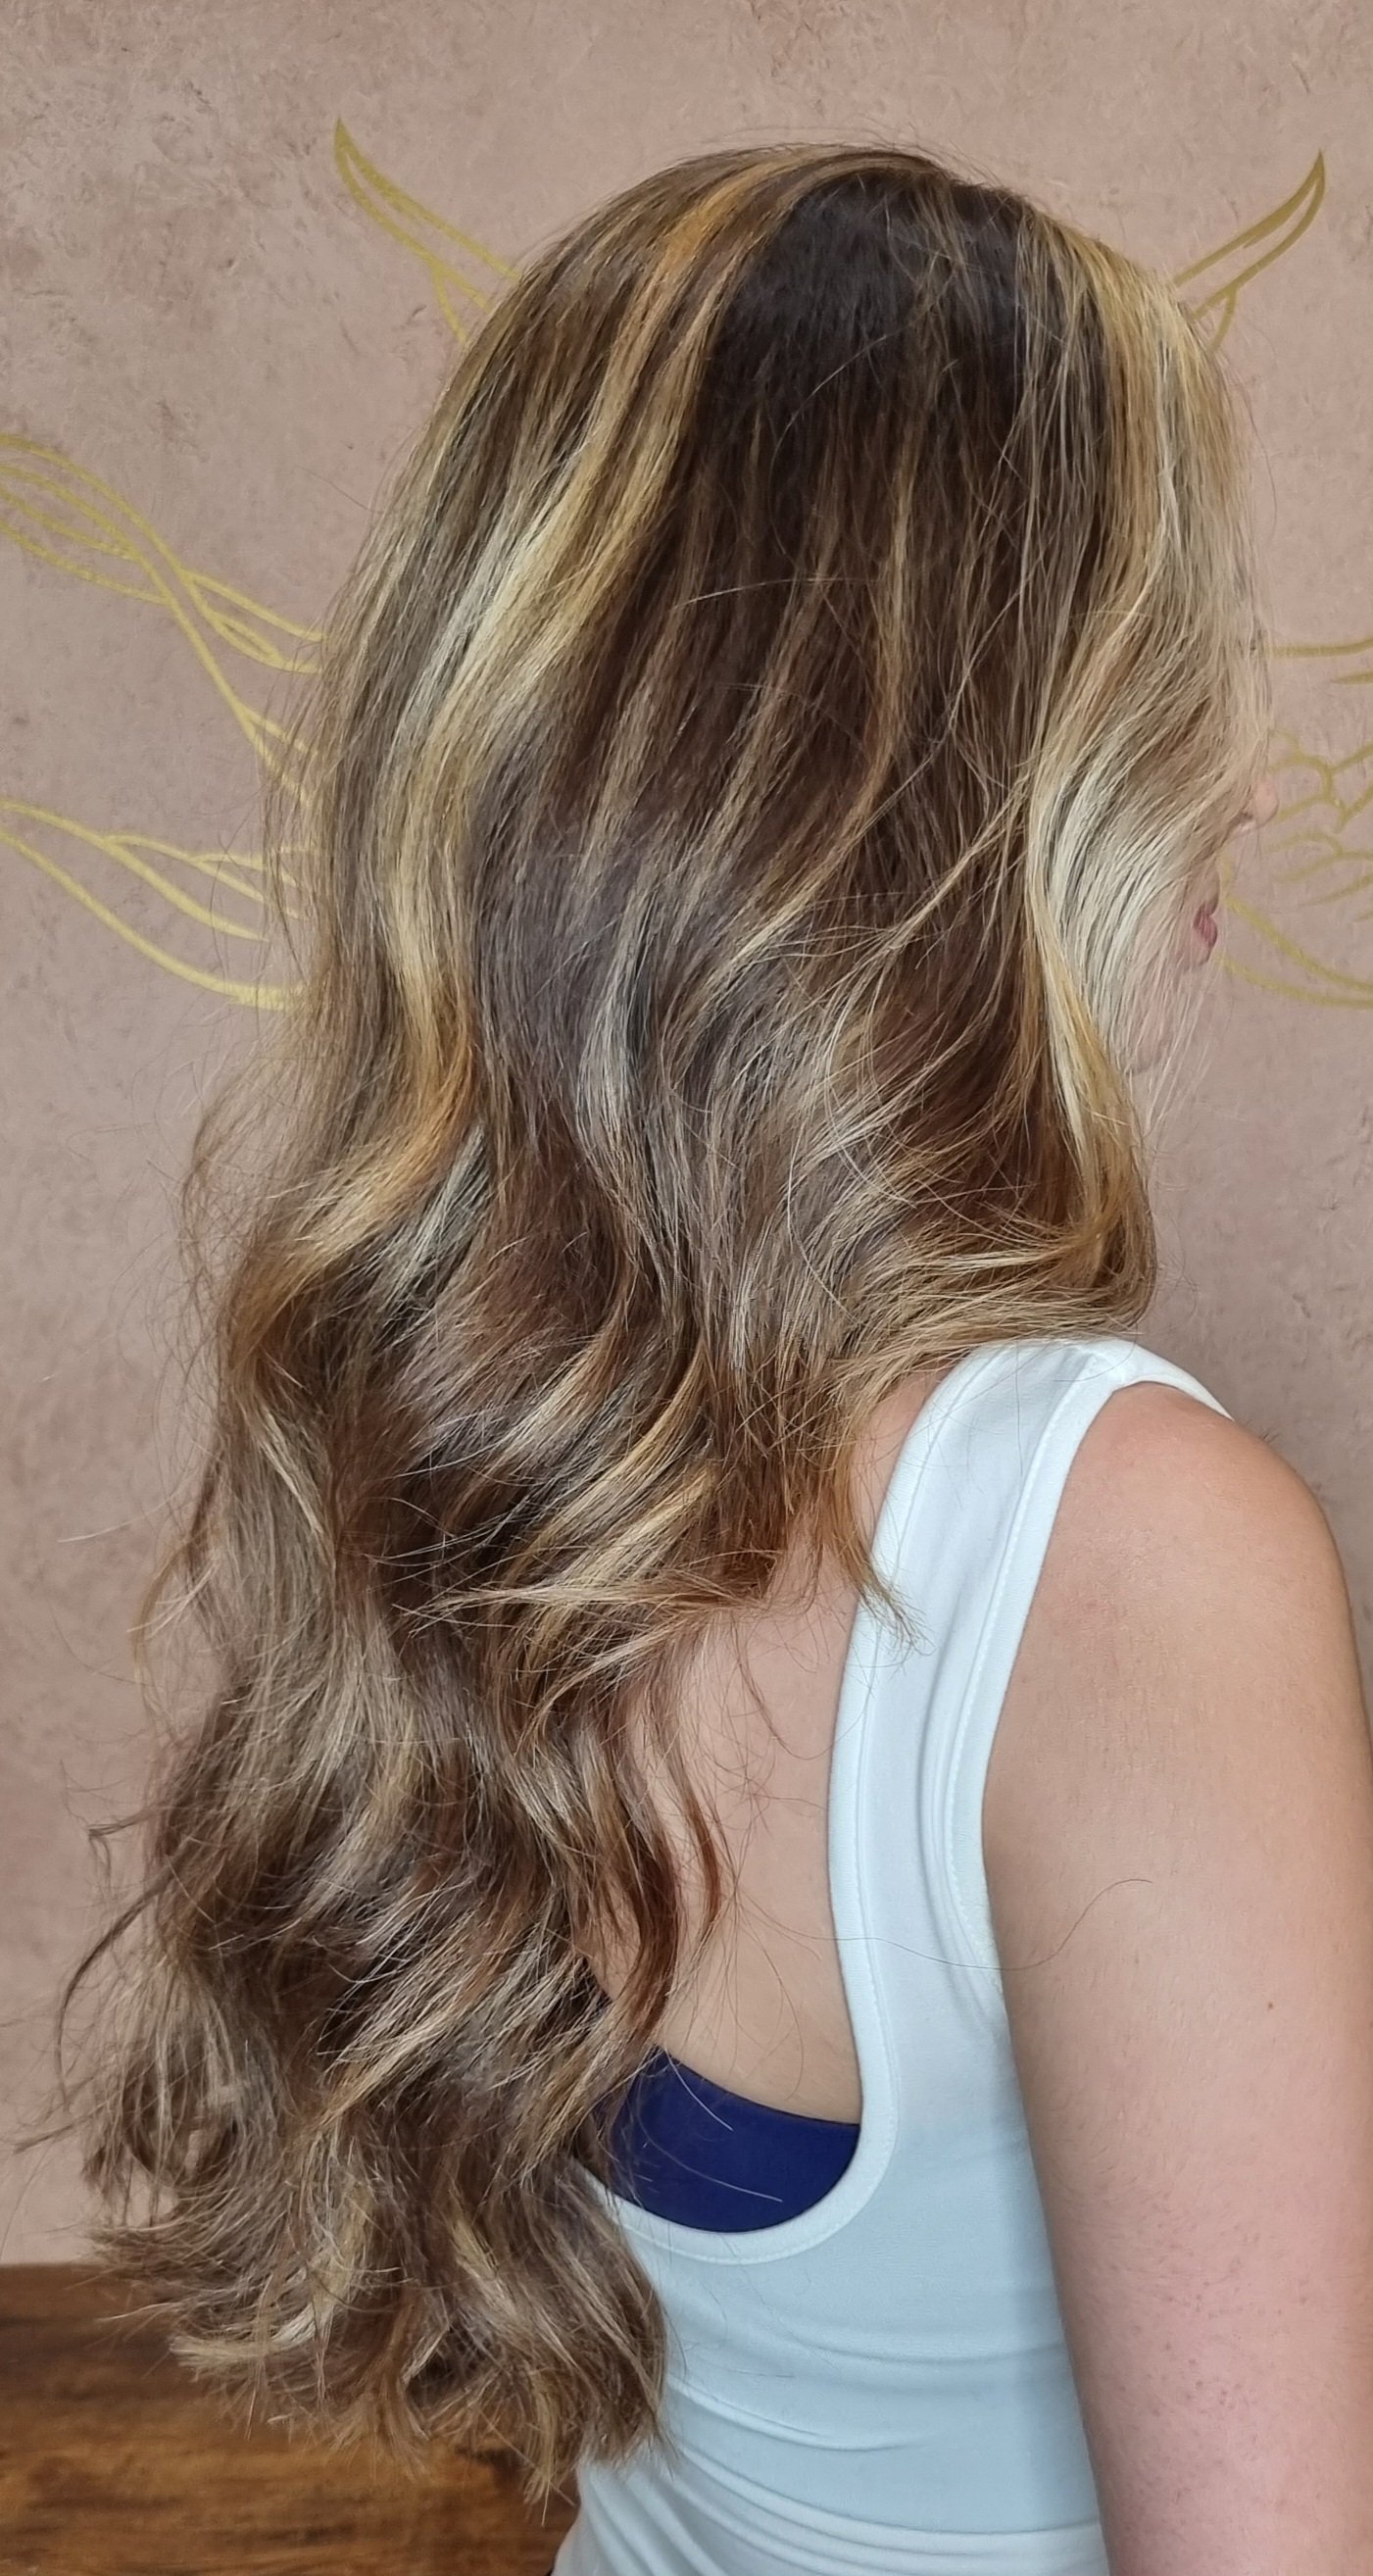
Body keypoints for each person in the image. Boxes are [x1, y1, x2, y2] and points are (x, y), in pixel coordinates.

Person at [46, 141, 1373, 2576]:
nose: (1250, 784)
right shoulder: (1116, 1554)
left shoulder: (472, 1415)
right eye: (1179, 686)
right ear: (968, 804)